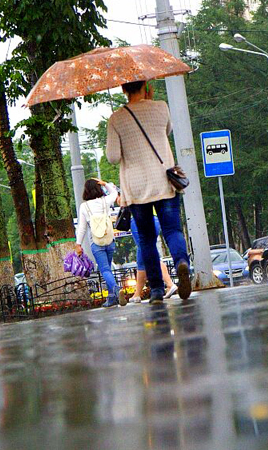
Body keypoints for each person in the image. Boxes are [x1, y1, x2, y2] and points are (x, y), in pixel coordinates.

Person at [106, 80, 191, 304]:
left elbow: (113, 157)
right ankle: (182, 263)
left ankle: (155, 290)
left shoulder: (116, 118)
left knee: (146, 238)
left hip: (136, 187)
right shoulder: (161, 107)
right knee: (172, 230)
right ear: (146, 85)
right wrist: (150, 100)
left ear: (124, 89)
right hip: (164, 181)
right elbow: (167, 130)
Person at [75, 179, 122, 308]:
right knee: (108, 270)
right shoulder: (105, 201)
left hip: (96, 242)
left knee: (105, 269)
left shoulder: (84, 206)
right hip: (110, 240)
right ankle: (111, 298)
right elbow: (114, 193)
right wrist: (105, 183)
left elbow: (82, 227)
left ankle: (116, 290)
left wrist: (78, 244)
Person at [129, 214, 178, 302]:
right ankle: (137, 294)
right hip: (155, 218)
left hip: (138, 217)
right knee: (146, 253)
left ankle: (169, 284)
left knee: (146, 250)